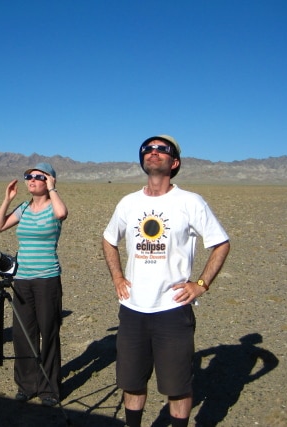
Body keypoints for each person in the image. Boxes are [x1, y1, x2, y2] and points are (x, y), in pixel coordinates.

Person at [102, 135, 230, 427]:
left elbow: (220, 243)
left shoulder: (189, 202)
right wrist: (118, 277)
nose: (153, 152)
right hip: (133, 309)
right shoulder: (128, 203)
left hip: (172, 310)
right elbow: (109, 240)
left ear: (175, 163)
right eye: (148, 149)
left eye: (162, 150)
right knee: (132, 382)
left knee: (177, 386)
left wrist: (201, 284)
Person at [0, 162, 68, 407]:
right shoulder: (23, 207)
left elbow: (61, 214)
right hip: (22, 279)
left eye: (39, 177)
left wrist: (53, 190)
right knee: (23, 334)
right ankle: (26, 385)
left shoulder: (53, 207)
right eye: (29, 176)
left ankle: (49, 389)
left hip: (47, 279)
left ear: (49, 181)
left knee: (49, 331)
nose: (32, 180)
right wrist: (7, 199)